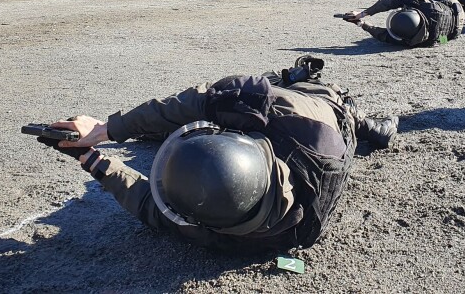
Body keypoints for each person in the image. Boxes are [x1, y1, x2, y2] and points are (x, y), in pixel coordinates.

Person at [35, 60, 398, 252]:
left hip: (325, 106)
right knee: (339, 111)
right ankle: (372, 126)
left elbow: (197, 102)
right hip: (327, 111)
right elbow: (161, 210)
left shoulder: (226, 230)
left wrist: (100, 142)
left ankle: (364, 122)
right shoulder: (280, 234)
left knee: (306, 95)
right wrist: (101, 142)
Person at [341, 0, 464, 47]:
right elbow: (384, 36)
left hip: (454, 28)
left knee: (443, 39)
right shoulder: (423, 5)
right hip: (454, 11)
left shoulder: (415, 40)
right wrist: (361, 20)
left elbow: (388, 2)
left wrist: (362, 17)